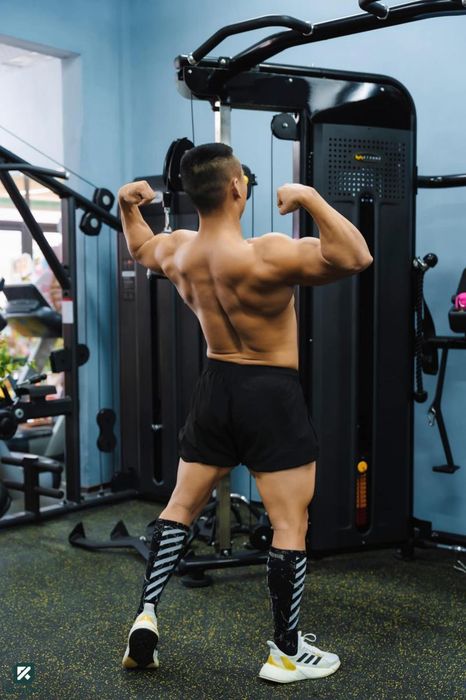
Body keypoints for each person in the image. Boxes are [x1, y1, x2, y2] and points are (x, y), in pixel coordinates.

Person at [117, 143, 372, 684]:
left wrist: (126, 205)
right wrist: (309, 197)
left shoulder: (178, 251)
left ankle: (146, 615)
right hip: (270, 392)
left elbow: (139, 246)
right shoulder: (267, 254)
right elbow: (355, 256)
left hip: (215, 387)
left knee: (180, 506)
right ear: (237, 187)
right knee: (289, 522)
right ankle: (285, 653)